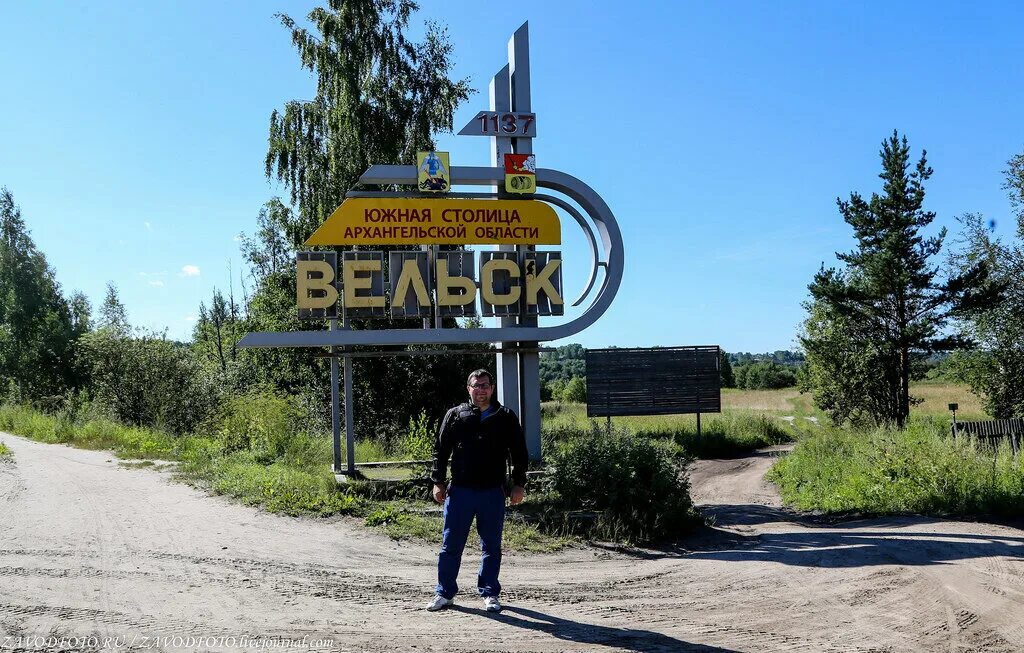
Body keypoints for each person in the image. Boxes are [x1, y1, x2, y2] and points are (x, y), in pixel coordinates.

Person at [425, 369, 528, 613]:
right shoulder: (455, 415)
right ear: (468, 388)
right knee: (451, 546)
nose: (480, 390)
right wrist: (437, 481)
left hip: (492, 492)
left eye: (485, 385)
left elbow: (519, 454)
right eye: (476, 385)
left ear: (492, 388)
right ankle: (444, 592)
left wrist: (519, 484)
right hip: (460, 492)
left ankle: (490, 592)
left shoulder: (505, 417)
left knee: (491, 546)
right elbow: (440, 451)